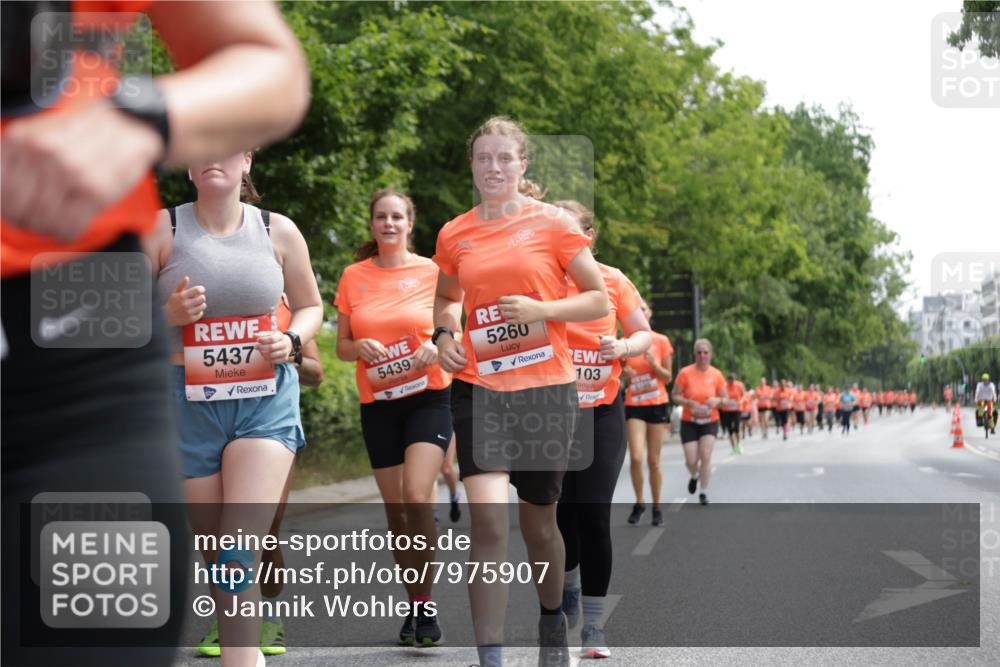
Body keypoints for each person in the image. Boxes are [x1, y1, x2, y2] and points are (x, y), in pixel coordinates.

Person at [1, 4, 309, 667]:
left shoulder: (277, 229)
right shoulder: (173, 227)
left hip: (73, 342)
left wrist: (138, 114)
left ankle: (243, 651)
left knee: (219, 556)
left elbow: (274, 67)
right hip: (184, 400)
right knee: (218, 548)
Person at [431, 116, 609, 667]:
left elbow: (598, 301)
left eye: (504, 158)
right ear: (472, 164)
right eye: (484, 158)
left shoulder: (554, 224)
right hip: (479, 389)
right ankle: (490, 657)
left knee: (539, 525)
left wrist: (543, 310)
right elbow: (445, 299)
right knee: (487, 522)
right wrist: (444, 336)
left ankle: (552, 616)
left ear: (522, 164)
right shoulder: (454, 233)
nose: (493, 167)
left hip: (544, 391)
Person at [148, 148, 321, 667]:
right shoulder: (161, 229)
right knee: (221, 565)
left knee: (237, 549)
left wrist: (291, 339)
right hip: (186, 403)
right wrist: (166, 312)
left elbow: (312, 305)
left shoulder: (278, 230)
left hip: (263, 401)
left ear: (246, 161)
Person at [335, 189, 456, 647]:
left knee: (415, 495)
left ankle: (427, 606)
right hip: (378, 403)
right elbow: (344, 345)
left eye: (397, 217)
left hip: (428, 397)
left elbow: (453, 324)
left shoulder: (432, 272)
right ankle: (416, 604)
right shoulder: (353, 276)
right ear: (373, 225)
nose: (389, 224)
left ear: (410, 224)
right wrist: (358, 348)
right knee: (396, 513)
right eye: (381, 217)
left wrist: (436, 342)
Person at [554, 200, 651, 659]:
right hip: (550, 414)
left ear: (589, 236)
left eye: (571, 229)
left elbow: (644, 333)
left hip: (603, 409)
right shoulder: (542, 279)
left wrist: (624, 345)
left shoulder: (612, 280)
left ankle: (594, 626)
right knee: (560, 516)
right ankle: (568, 583)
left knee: (592, 514)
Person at [622, 302, 674, 525]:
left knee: (653, 461)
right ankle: (639, 502)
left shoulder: (661, 341)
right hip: (635, 404)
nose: (640, 311)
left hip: (657, 404)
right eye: (637, 309)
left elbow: (667, 378)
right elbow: (618, 374)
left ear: (650, 313)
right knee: (635, 457)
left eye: (644, 308)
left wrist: (654, 364)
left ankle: (657, 507)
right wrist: (625, 373)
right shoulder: (626, 342)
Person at [671, 339, 727, 506]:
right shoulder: (685, 373)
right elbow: (674, 395)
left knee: (706, 455)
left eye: (705, 352)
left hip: (710, 421)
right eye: (699, 352)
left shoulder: (717, 375)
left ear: (710, 354)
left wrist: (717, 400)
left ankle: (703, 492)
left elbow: (725, 399)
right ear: (694, 354)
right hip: (690, 421)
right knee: (691, 460)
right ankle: (694, 475)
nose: (702, 356)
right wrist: (688, 403)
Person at [720, 373, 745, 453]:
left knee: (737, 428)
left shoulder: (739, 385)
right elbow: (720, 396)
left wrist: (741, 401)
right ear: (728, 380)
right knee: (730, 429)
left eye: (733, 380)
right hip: (727, 410)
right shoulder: (724, 386)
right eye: (730, 381)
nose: (732, 382)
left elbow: (744, 395)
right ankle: (733, 448)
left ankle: (739, 445)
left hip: (737, 409)